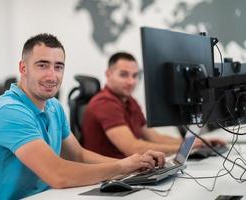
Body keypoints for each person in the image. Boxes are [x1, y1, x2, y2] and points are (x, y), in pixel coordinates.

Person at [0, 34, 165, 199]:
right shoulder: (8, 111)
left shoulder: (53, 107)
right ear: (23, 68)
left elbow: (79, 155)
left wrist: (135, 163)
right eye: (42, 65)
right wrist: (122, 167)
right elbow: (58, 175)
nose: (52, 76)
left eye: (58, 67)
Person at [82, 52, 226, 159]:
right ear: (108, 74)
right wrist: (186, 147)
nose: (131, 81)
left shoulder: (129, 101)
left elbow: (154, 137)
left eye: (134, 75)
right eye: (124, 75)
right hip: (109, 178)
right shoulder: (105, 103)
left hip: (126, 171)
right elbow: (131, 148)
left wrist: (195, 142)